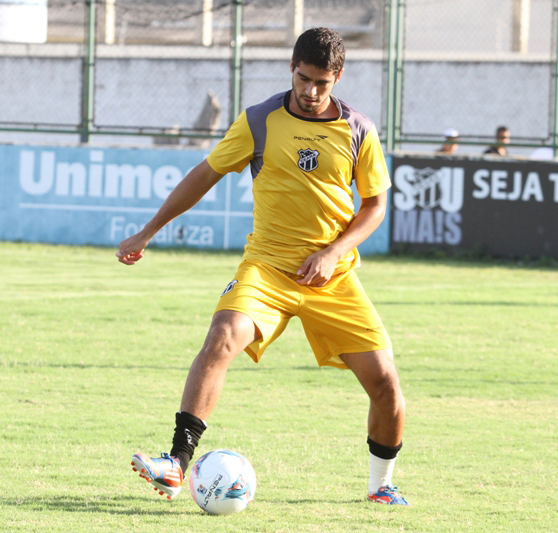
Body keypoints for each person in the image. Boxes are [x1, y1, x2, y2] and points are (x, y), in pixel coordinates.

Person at [118, 27, 409, 506]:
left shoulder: (358, 129)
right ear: (290, 66)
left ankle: (382, 486)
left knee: (386, 385)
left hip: (332, 278)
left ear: (337, 77)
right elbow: (204, 175)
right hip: (267, 269)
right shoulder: (259, 121)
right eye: (302, 78)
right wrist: (147, 230)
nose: (310, 91)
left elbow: (375, 205)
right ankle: (175, 463)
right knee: (222, 336)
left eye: (321, 82)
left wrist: (334, 251)